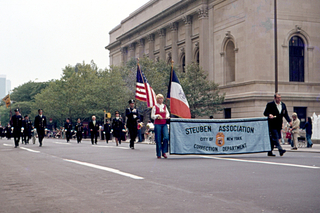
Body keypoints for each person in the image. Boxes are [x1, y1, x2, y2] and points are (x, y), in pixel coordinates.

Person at [151, 94, 170, 159]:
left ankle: (164, 151)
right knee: (158, 139)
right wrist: (157, 116)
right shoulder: (155, 107)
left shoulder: (164, 106)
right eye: (159, 98)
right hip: (157, 124)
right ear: (157, 99)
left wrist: (167, 116)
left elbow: (167, 113)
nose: (161, 100)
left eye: (161, 98)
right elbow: (152, 116)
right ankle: (158, 153)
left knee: (166, 137)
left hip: (164, 123)